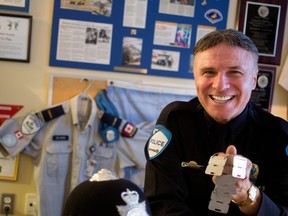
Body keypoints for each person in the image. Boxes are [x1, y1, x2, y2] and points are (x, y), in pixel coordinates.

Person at [144, 29, 288, 215]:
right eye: (208, 72)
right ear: (195, 77)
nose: (220, 85)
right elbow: (161, 202)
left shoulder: (279, 136)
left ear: (254, 80)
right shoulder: (175, 121)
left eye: (235, 72)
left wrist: (247, 194)